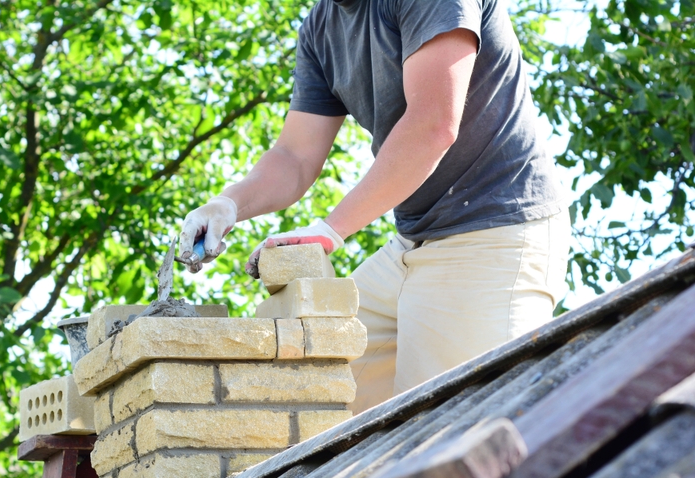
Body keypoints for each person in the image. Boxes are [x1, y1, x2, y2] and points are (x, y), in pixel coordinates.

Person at [178, 0, 570, 414]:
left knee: (450, 433)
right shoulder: (322, 25)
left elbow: (433, 125)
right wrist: (228, 203)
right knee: (304, 398)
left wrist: (331, 229)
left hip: (495, 236)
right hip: (413, 243)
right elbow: (296, 155)